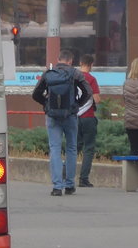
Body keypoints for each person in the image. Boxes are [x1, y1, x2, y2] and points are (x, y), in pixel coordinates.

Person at [31, 48, 92, 197]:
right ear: (70, 61)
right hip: (70, 116)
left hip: (52, 116)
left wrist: (46, 104)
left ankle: (57, 187)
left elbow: (35, 94)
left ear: (58, 59)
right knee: (71, 148)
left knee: (55, 149)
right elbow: (88, 92)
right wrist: (77, 104)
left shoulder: (49, 74)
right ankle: (70, 185)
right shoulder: (75, 73)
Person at [76, 53, 101, 187]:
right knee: (89, 148)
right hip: (88, 117)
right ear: (91, 65)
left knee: (73, 148)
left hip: (74, 118)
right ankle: (83, 179)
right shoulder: (91, 79)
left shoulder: (72, 77)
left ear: (80, 63)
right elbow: (97, 99)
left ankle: (64, 174)